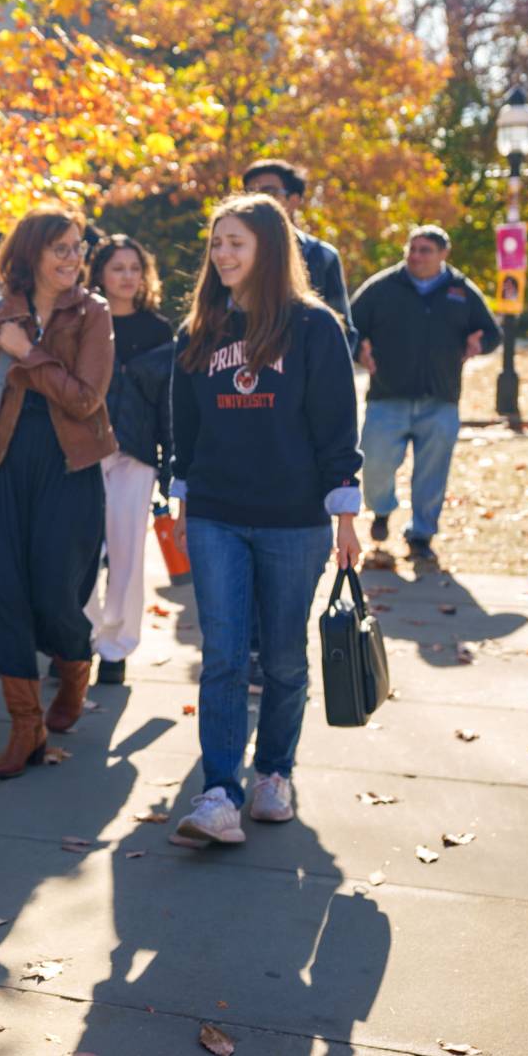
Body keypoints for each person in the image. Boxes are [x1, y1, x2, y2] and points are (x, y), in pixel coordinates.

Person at [167, 193, 363, 848]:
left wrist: (345, 514)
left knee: (282, 658)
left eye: (236, 244)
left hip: (294, 521)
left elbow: (338, 426)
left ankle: (274, 772)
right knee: (222, 657)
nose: (222, 255)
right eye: (217, 243)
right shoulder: (201, 328)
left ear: (269, 250)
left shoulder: (314, 328)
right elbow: (184, 424)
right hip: (217, 516)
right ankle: (219, 791)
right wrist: (181, 492)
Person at [0, 206, 116, 780]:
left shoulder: (94, 313)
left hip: (69, 471)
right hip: (2, 471)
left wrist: (26, 354)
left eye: (77, 247)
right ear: (30, 252)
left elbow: (85, 399)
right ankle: (25, 725)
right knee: (3, 596)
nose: (72, 258)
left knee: (57, 596)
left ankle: (75, 665)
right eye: (60, 247)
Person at [350, 224, 500, 567]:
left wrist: (480, 344)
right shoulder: (382, 287)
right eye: (412, 249)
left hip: (440, 399)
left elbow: (492, 332)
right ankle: (382, 511)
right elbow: (348, 326)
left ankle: (421, 536)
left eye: (425, 250)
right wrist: (360, 350)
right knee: (374, 464)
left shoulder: (461, 291)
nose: (415, 256)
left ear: (443, 254)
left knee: (432, 473)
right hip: (387, 396)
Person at [84, 235, 174, 685]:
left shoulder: (160, 331)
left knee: (125, 555)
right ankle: (77, 638)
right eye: (117, 268)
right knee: (77, 552)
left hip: (135, 455)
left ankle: (115, 648)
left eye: (134, 268)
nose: (127, 276)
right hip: (81, 454)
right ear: (99, 273)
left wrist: (171, 468)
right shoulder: (81, 322)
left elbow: (169, 404)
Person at [240, 159, 357, 354]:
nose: (257, 200)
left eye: (269, 192)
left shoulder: (323, 256)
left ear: (294, 200)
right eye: (249, 192)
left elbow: (341, 329)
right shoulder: (229, 254)